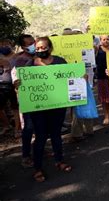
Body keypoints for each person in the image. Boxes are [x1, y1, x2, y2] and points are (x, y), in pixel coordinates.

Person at [17, 37, 72, 182]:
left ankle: (59, 161)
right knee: (40, 137)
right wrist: (18, 84)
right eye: (38, 48)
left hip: (57, 106)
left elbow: (70, 77)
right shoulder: (30, 65)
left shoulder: (60, 61)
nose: (40, 50)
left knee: (56, 135)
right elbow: (23, 85)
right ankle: (38, 168)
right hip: (38, 108)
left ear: (50, 48)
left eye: (43, 47)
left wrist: (81, 78)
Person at [12, 34, 36, 168]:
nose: (32, 44)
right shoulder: (20, 60)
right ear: (23, 47)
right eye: (29, 43)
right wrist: (16, 83)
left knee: (40, 127)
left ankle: (39, 149)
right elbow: (16, 79)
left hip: (42, 97)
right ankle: (26, 155)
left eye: (33, 42)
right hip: (28, 99)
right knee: (28, 127)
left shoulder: (40, 57)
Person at [0, 39, 21, 137]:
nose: (4, 46)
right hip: (1, 86)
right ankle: (6, 125)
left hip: (13, 85)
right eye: (2, 44)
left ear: (11, 45)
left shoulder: (17, 57)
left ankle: (17, 129)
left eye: (6, 44)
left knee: (15, 108)